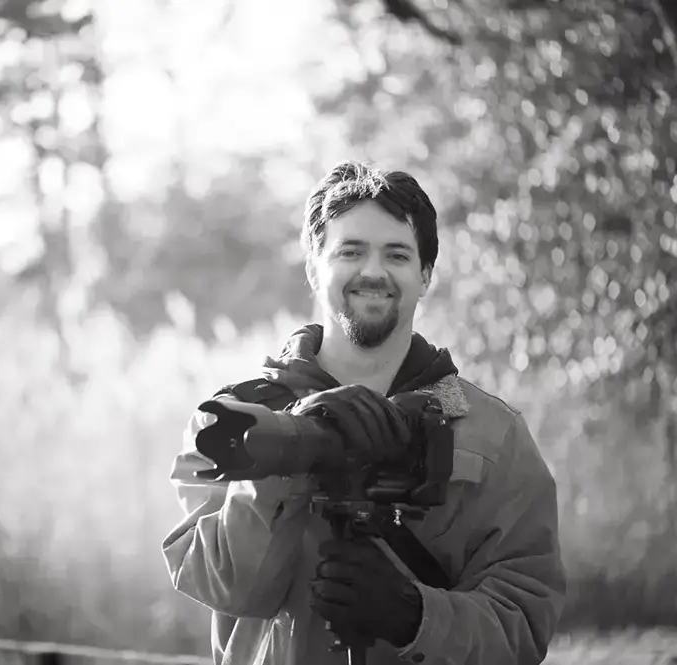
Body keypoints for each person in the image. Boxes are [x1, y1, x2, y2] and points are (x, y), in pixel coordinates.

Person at [161, 161, 567, 665]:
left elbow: (524, 625)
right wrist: (285, 449)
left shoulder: (492, 435)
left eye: (396, 255)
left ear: (425, 276)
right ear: (314, 267)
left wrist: (415, 617)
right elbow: (231, 588)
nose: (373, 272)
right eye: (350, 251)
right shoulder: (231, 423)